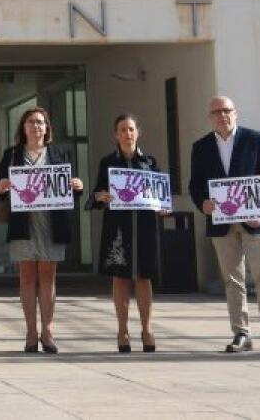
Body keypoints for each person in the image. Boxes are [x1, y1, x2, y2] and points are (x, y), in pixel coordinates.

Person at [189, 95, 260, 356]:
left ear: (236, 113)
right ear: (210, 118)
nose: (223, 115)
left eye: (227, 110)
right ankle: (241, 332)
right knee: (233, 279)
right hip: (222, 223)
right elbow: (195, 185)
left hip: (255, 221)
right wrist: (203, 204)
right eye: (217, 112)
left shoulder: (254, 140)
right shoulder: (201, 147)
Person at [0, 107, 84, 354]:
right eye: (31, 122)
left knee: (47, 277)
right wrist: (1, 185)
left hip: (51, 225)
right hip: (23, 224)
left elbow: (69, 188)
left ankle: (47, 330)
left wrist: (77, 185)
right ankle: (31, 332)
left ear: (47, 128)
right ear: (23, 128)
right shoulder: (12, 154)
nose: (36, 126)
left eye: (41, 122)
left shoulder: (58, 152)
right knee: (26, 277)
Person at [91, 114, 163, 353]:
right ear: (116, 134)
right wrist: (100, 196)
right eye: (122, 129)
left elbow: (160, 195)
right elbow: (97, 194)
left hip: (144, 226)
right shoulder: (107, 163)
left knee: (144, 277)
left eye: (131, 129)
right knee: (120, 278)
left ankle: (147, 329)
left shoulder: (150, 162)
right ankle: (122, 330)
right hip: (118, 227)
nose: (127, 133)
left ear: (137, 132)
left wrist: (164, 206)